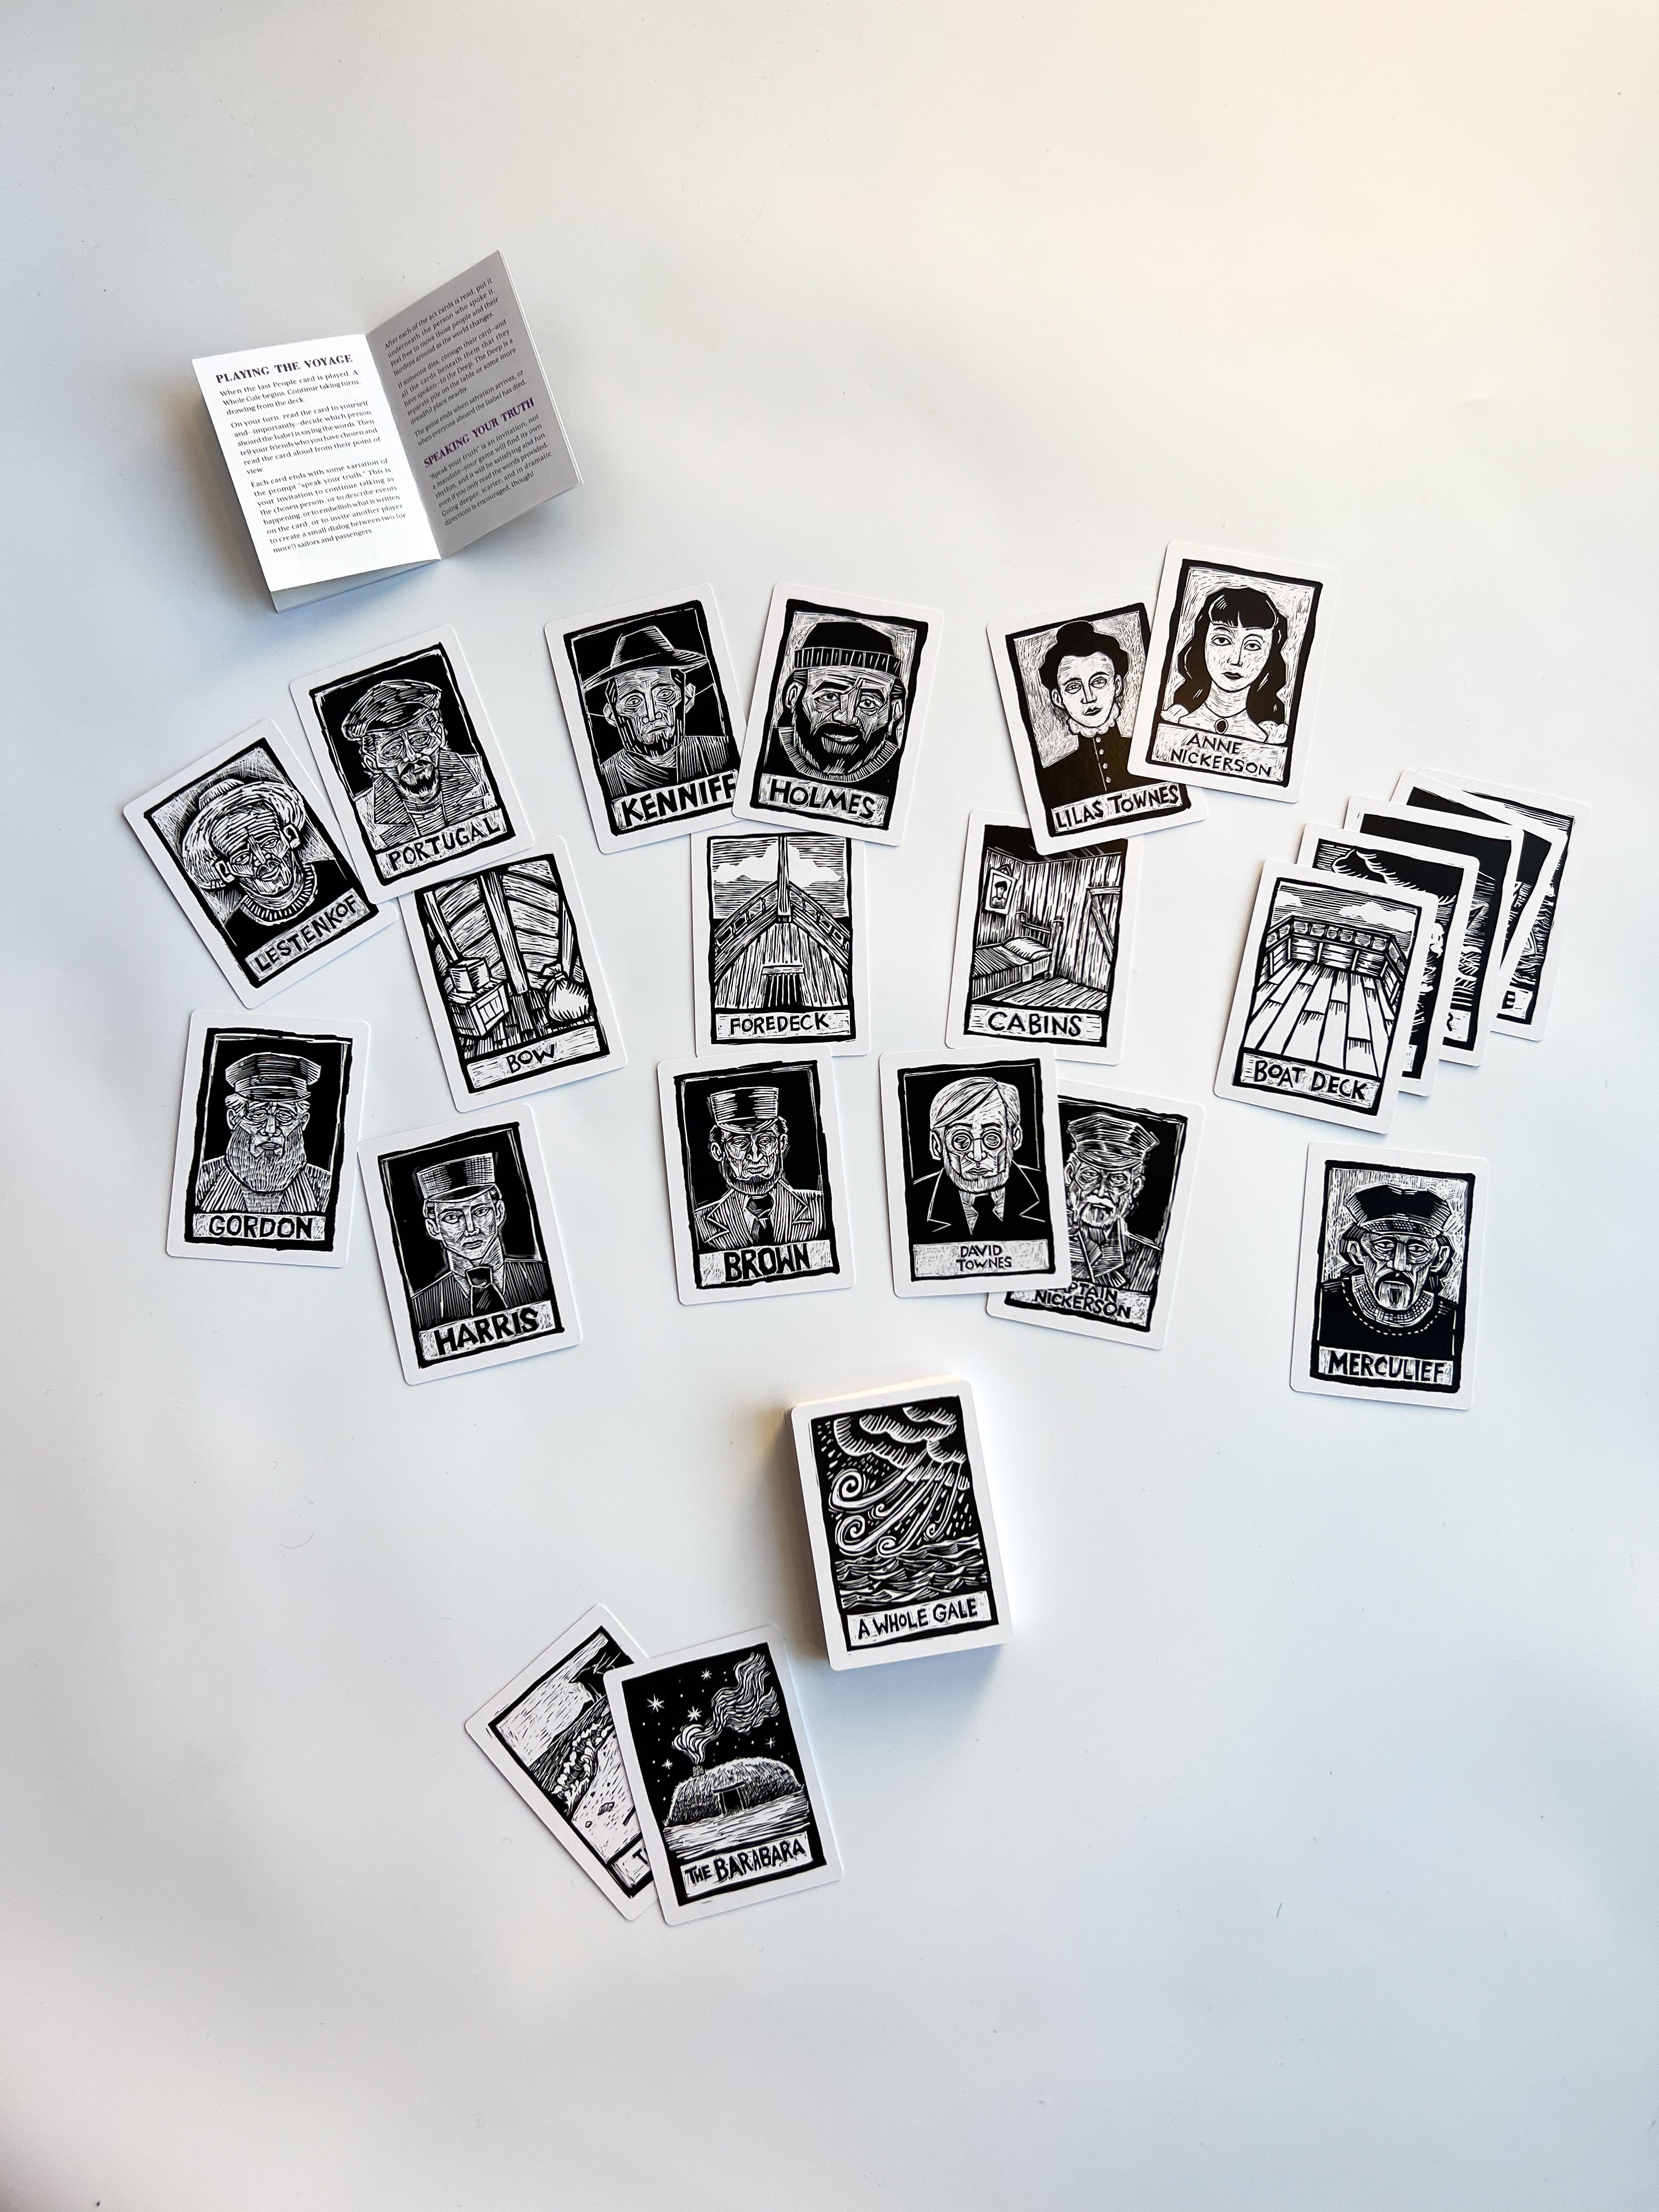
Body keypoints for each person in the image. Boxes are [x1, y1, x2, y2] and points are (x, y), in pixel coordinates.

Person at [178, 774, 353, 956]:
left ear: (290, 836)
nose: (262, 860)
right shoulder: (236, 936)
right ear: (225, 870)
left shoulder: (341, 876)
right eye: (242, 857)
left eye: (269, 842)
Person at [580, 625, 735, 804]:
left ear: (687, 697)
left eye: (664, 695)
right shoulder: (603, 781)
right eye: (633, 702)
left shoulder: (723, 753)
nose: (652, 715)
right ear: (611, 716)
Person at [340, 676, 494, 853]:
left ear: (440, 735)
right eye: (393, 749)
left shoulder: (485, 775)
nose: (412, 757)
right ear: (372, 762)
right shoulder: (360, 816)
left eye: (420, 740)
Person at [1315, 1184, 1460, 1361]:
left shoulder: (1450, 1320)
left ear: (1439, 1258)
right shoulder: (1324, 1302)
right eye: (1384, 1245)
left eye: (1417, 1249)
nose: (1399, 1264)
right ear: (1356, 1251)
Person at [409, 1154, 549, 1326]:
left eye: (480, 1211)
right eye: (452, 1217)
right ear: (434, 1228)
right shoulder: (420, 1308)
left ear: (499, 1213)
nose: (471, 1229)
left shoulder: (545, 1278)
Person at [769, 617, 909, 785]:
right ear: (793, 696)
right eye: (829, 697)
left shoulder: (903, 775)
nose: (846, 718)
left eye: (868, 703)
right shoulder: (765, 754)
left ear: (895, 712)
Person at [194, 1052, 332, 1218]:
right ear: (233, 1119)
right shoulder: (200, 1182)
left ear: (303, 1122)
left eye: (285, 1116)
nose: (271, 1130)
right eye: (258, 1115)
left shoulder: (325, 1188)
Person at [913, 1074, 1048, 1243]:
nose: (977, 1155)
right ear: (937, 1146)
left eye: (992, 1138)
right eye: (961, 1140)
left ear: (1015, 1137)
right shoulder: (913, 1200)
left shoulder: (1048, 1189)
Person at [1030, 622, 1146, 812]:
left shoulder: (1145, 754)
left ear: (1117, 685)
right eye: (1074, 687)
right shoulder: (1052, 778)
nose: (1089, 697)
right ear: (1058, 698)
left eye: (1099, 681)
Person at [693, 1086, 825, 1250]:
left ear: (782, 1143)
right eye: (740, 1143)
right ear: (718, 1151)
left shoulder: (821, 1208)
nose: (755, 1156)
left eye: (765, 1141)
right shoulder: (700, 1225)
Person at [1160, 583, 1291, 742]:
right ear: (1202, 644)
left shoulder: (1269, 737)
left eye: (1252, 646)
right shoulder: (1175, 721)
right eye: (1222, 640)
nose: (1235, 660)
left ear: (1270, 655)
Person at [1062, 1111, 1161, 1291]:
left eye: (1117, 1180)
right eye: (1090, 1175)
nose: (1101, 1192)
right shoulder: (1039, 1242)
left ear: (1135, 1187)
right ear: (1070, 1174)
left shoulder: (1149, 1260)